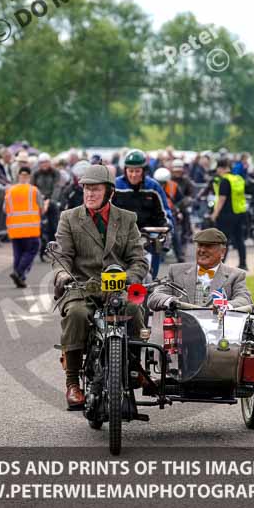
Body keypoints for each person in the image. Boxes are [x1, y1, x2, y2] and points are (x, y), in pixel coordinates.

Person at [53, 165, 149, 409]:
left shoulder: (127, 219)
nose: (89, 194)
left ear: (110, 192)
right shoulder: (69, 218)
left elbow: (138, 259)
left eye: (95, 189)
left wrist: (130, 278)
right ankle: (72, 383)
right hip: (82, 286)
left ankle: (135, 367)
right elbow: (62, 257)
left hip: (118, 287)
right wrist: (63, 275)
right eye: (86, 189)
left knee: (135, 308)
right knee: (75, 314)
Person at [148, 228, 253, 311]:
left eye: (208, 246)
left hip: (219, 333)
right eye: (200, 245)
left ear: (222, 252)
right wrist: (171, 302)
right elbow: (154, 297)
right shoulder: (176, 271)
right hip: (182, 332)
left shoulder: (236, 275)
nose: (202, 250)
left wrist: (225, 305)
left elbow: (244, 299)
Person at [113, 149, 171, 277]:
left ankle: (150, 284)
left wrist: (167, 224)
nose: (133, 175)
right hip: (120, 237)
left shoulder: (153, 187)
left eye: (137, 171)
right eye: (130, 171)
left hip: (147, 236)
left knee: (153, 268)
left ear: (144, 171)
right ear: (125, 171)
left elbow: (165, 211)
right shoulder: (115, 186)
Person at [4, 167, 42, 288]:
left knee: (18, 254)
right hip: (30, 228)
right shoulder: (34, 190)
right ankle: (19, 273)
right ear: (29, 177)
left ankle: (20, 278)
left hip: (14, 228)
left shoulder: (10, 191)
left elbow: (4, 209)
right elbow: (41, 207)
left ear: (18, 176)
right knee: (32, 250)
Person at [209, 158, 247, 270]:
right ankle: (243, 263)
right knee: (239, 239)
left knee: (223, 241)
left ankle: (220, 266)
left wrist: (214, 214)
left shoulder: (225, 181)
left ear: (221, 168)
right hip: (239, 213)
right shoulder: (238, 178)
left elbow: (221, 199)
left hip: (226, 215)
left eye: (218, 169)